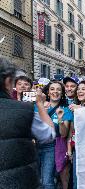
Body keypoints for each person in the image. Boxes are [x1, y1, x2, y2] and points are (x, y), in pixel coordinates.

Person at [0, 58, 55, 188]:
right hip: (18, 182)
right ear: (8, 82)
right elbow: (49, 135)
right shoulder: (24, 109)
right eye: (17, 82)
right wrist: (40, 105)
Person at [38, 81, 73, 189]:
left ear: (62, 93)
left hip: (53, 146)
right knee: (37, 180)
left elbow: (63, 134)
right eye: (52, 89)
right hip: (36, 146)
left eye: (58, 89)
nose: (55, 92)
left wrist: (60, 119)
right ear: (48, 92)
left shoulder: (66, 110)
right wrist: (42, 109)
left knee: (47, 180)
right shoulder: (38, 106)